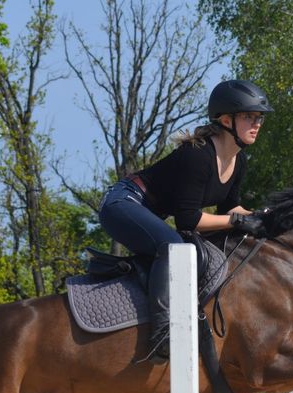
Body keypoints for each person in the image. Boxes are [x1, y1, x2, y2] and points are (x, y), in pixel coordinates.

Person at [98, 79, 272, 362]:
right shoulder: (198, 156)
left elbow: (230, 207)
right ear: (226, 120)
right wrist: (237, 222)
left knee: (176, 244)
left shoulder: (238, 161)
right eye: (249, 116)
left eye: (259, 118)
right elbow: (189, 220)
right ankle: (162, 334)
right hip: (122, 203)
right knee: (173, 246)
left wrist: (262, 219)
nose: (257, 124)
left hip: (146, 210)